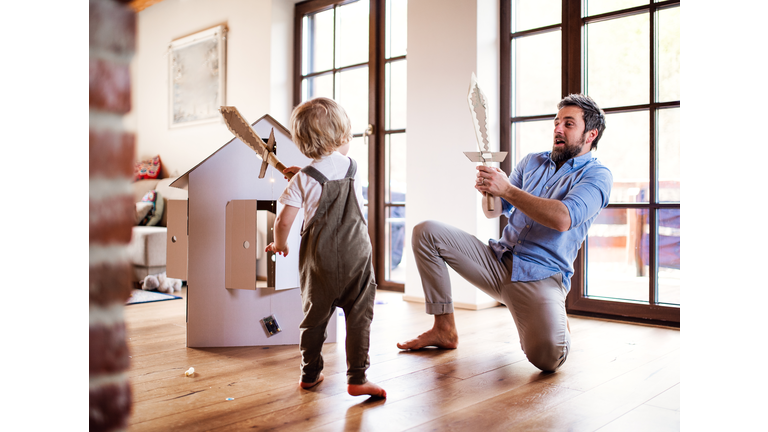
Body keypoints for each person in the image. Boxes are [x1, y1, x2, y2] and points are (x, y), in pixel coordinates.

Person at [397, 94, 613, 372]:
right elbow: (494, 210)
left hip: (540, 275)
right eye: (557, 122)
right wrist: (490, 188)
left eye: (569, 124)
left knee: (548, 359)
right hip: (497, 261)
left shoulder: (597, 176)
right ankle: (444, 329)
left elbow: (563, 218)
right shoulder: (532, 161)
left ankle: (551, 314)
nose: (558, 129)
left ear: (590, 135)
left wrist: (507, 188)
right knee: (426, 232)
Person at [265, 97, 387, 398]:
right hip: (356, 254)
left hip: (318, 260)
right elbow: (332, 167)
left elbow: (283, 222)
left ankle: (309, 374)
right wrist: (305, 173)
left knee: (314, 317)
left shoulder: (302, 180)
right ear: (342, 137)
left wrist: (279, 245)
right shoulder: (353, 167)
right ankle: (357, 377)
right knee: (359, 316)